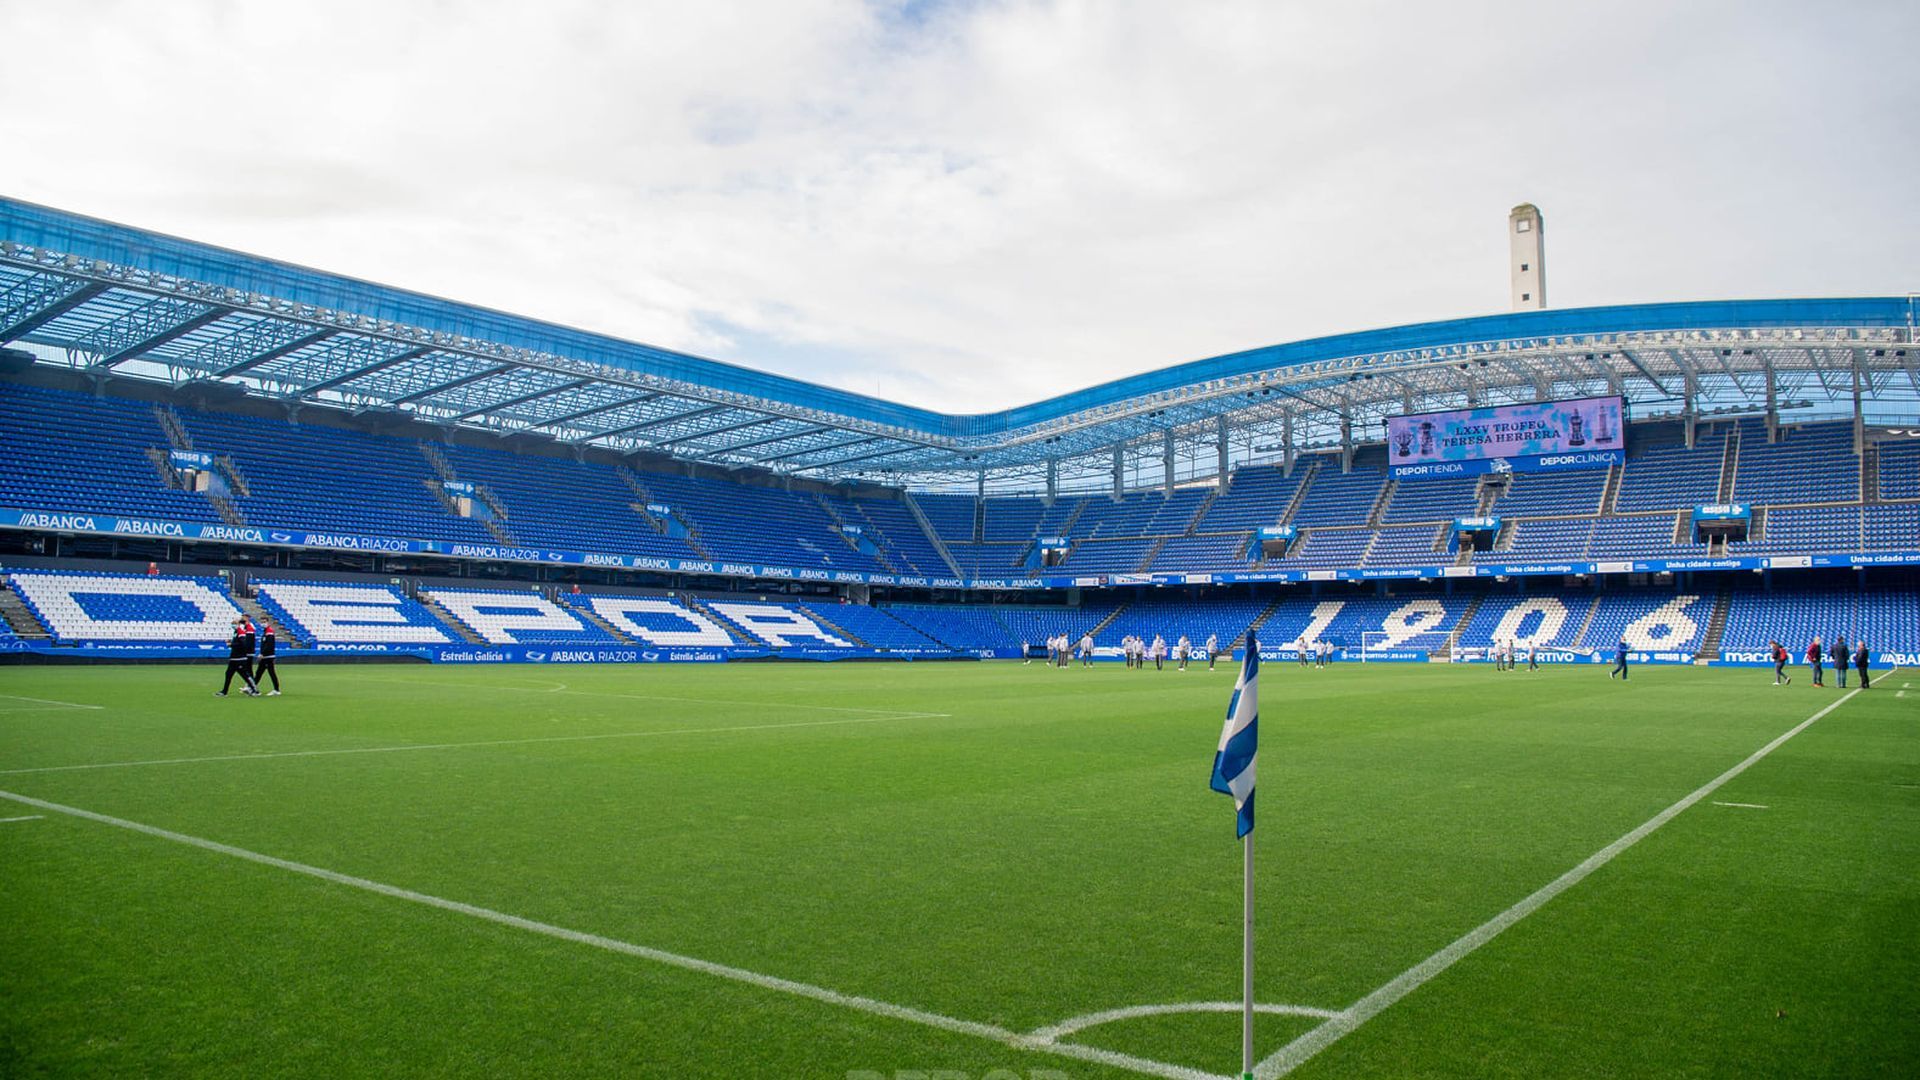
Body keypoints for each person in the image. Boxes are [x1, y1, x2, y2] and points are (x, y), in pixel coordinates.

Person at [216, 617, 259, 697]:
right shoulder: (236, 632)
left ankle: (254, 690)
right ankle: (224, 691)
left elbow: (243, 645)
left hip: (239, 658)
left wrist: (231, 645)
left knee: (244, 675)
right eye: (232, 624)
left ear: (239, 624)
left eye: (235, 624)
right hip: (234, 658)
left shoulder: (241, 633)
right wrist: (231, 643)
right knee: (229, 674)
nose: (233, 625)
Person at [256, 621, 282, 696]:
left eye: (264, 622)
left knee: (270, 673)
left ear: (268, 623)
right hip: (265, 656)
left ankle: (276, 689)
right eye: (262, 622)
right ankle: (253, 687)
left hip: (268, 656)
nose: (262, 623)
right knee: (259, 672)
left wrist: (262, 653)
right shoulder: (265, 632)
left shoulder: (269, 632)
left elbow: (269, 645)